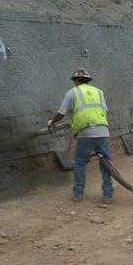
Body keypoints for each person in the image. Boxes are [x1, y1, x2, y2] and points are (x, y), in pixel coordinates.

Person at [48, 68, 113, 203]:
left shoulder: (72, 93)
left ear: (76, 80)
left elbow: (62, 112)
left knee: (80, 163)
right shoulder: (99, 92)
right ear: (88, 80)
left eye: (74, 81)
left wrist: (52, 122)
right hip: (103, 131)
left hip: (85, 133)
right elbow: (105, 111)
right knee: (106, 163)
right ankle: (107, 196)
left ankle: (78, 194)